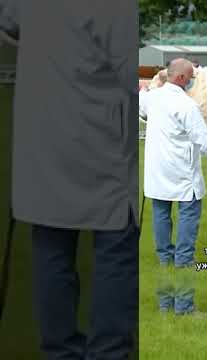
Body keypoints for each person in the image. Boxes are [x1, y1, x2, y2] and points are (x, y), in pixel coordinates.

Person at [1, 1, 139, 359]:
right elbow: (130, 72)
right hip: (99, 137)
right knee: (116, 245)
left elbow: (10, 21)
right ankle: (108, 351)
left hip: (43, 137)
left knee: (51, 247)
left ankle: (60, 351)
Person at [139, 58, 207, 314]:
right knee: (184, 250)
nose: (192, 81)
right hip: (184, 184)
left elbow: (141, 102)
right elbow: (205, 142)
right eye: (191, 76)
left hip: (157, 182)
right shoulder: (187, 105)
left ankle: (165, 304)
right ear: (182, 79)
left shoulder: (154, 98)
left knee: (163, 250)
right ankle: (184, 307)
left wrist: (153, 82)